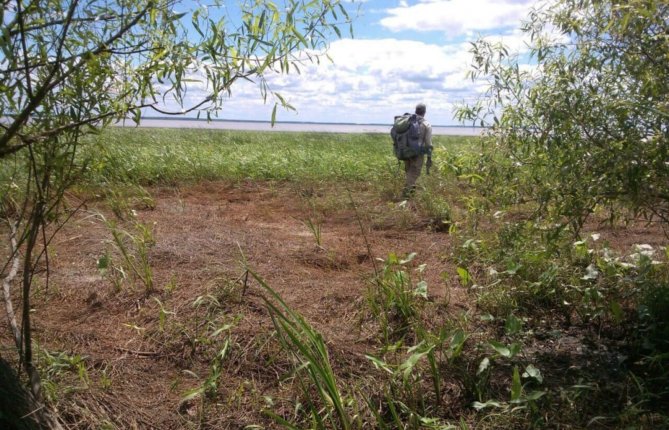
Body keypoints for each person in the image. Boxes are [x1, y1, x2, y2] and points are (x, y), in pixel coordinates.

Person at [403, 102, 433, 198]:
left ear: (416, 110)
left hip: (405, 151)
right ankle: (406, 195)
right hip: (417, 153)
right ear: (424, 112)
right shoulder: (426, 124)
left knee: (409, 172)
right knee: (414, 173)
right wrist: (429, 156)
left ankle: (411, 194)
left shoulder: (408, 121)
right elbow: (428, 143)